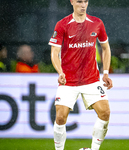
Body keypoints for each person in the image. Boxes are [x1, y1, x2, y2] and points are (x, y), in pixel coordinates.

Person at [48, 0, 113, 150]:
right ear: (72, 2)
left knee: (105, 113)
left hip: (91, 80)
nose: (83, 5)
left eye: (85, 1)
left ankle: (94, 149)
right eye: (79, 1)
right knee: (60, 117)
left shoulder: (97, 23)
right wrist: (60, 72)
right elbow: (54, 52)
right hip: (68, 81)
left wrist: (106, 73)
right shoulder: (62, 24)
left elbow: (106, 48)